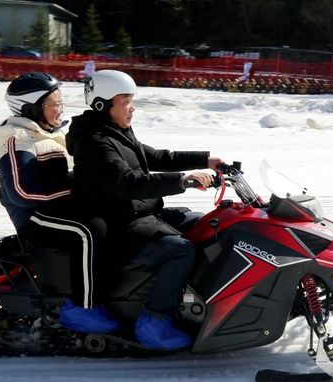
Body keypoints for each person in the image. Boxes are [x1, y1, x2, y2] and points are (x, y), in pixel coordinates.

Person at [66, 70, 223, 351]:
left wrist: (207, 160)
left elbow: (156, 157)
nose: (132, 107)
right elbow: (128, 184)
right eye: (125, 101)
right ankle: (154, 320)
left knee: (199, 222)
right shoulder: (95, 144)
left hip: (137, 214)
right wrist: (183, 180)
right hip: (119, 225)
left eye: (131, 100)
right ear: (103, 104)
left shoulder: (115, 132)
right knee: (180, 249)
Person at [0, 72, 120, 334]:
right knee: (87, 233)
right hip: (35, 219)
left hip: (57, 210)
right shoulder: (16, 140)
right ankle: (82, 308)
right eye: (53, 105)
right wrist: (76, 188)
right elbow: (21, 193)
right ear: (31, 109)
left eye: (61, 103)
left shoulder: (45, 135)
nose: (60, 109)